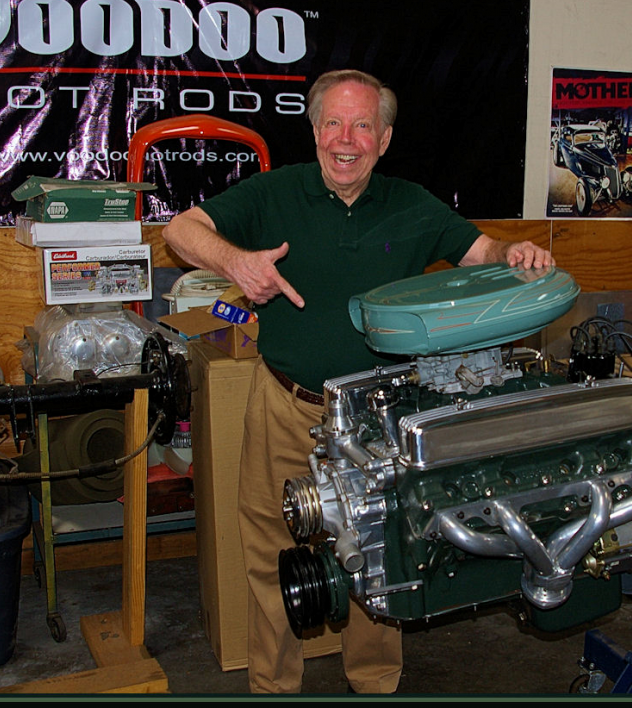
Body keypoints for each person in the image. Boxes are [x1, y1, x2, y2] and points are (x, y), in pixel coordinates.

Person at [162, 69, 554, 693]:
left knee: (380, 547)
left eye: (363, 125)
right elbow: (178, 230)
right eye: (334, 124)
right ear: (316, 130)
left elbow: (483, 251)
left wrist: (516, 254)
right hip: (286, 406)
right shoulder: (274, 193)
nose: (347, 140)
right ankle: (273, 687)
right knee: (272, 550)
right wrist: (237, 262)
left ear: (385, 138)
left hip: (378, 416)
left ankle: (374, 683)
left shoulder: (411, 203)